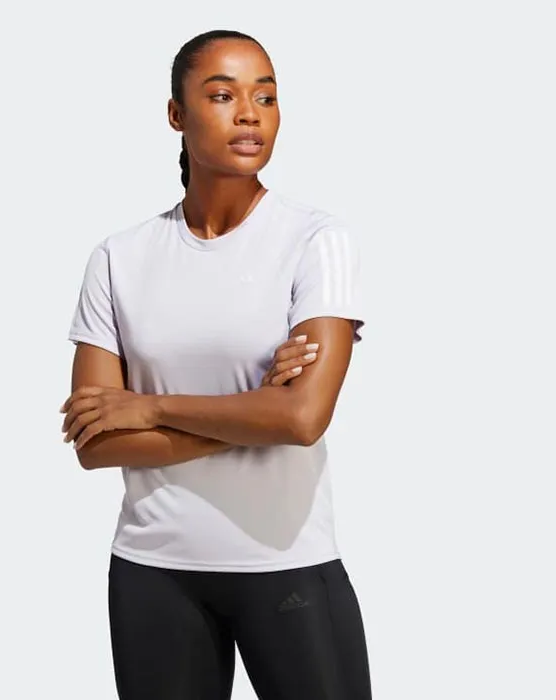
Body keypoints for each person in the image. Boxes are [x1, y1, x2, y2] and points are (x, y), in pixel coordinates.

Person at [60, 29, 372, 700]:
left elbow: (303, 419)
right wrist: (255, 412)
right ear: (176, 114)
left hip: (287, 565)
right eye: (223, 95)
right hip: (153, 571)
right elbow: (95, 444)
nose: (250, 114)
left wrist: (149, 405)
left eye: (267, 96)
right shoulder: (118, 258)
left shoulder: (316, 241)